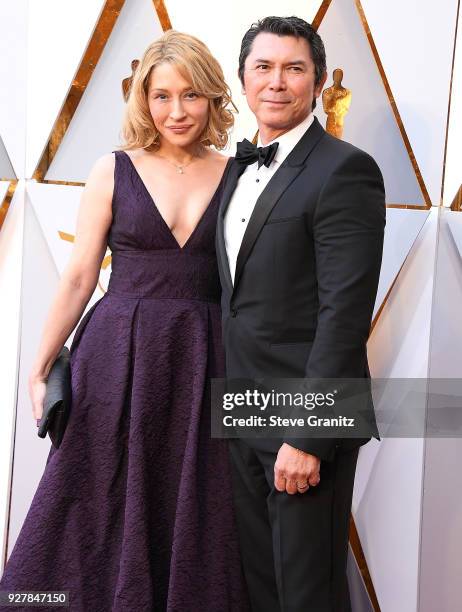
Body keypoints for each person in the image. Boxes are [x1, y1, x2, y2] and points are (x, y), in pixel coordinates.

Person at [0, 31, 249, 612]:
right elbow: (80, 277)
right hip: (118, 354)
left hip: (208, 357)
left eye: (190, 95)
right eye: (161, 96)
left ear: (212, 97)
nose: (176, 111)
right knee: (94, 495)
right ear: (143, 100)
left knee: (202, 503)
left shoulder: (240, 172)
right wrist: (39, 366)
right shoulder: (113, 169)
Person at [216, 16, 385, 611]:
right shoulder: (235, 169)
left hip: (304, 421)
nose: (277, 82)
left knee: (307, 594)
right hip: (240, 412)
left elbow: (345, 312)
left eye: (294, 68)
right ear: (243, 79)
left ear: (316, 82)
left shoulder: (345, 169)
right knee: (262, 589)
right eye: (263, 67)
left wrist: (310, 436)